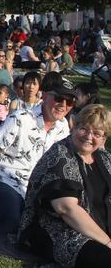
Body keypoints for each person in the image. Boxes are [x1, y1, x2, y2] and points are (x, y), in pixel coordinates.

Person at [0, 76, 75, 235]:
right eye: (59, 98)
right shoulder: (21, 118)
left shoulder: (62, 127)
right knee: (12, 224)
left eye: (70, 102)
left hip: (31, 187)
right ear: (45, 96)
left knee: (35, 224)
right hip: (1, 176)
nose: (64, 105)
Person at [18, 104, 111, 268]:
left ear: (104, 139)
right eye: (84, 129)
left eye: (96, 133)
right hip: (58, 230)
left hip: (99, 228)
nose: (89, 137)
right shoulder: (60, 155)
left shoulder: (104, 158)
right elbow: (66, 210)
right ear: (74, 126)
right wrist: (107, 241)